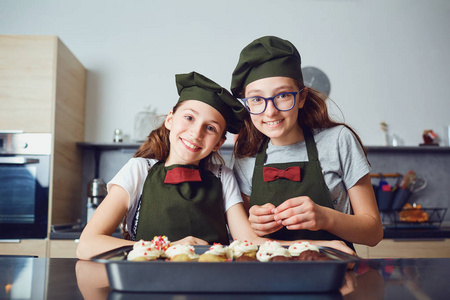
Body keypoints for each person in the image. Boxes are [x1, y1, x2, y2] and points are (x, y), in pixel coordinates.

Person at [77, 71, 354, 260]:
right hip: (148, 283)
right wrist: (168, 248)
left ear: (219, 142)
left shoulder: (223, 176)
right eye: (188, 118)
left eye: (210, 128)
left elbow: (250, 241)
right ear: (170, 119)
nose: (196, 133)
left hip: (214, 284)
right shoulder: (139, 170)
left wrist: (323, 245)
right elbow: (88, 244)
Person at [230, 36, 383, 249]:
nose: (270, 111)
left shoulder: (338, 140)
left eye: (282, 95)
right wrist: (255, 224)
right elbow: (248, 239)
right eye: (256, 99)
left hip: (334, 278)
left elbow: (373, 232)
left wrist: (325, 217)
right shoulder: (246, 155)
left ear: (301, 97)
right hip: (266, 278)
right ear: (247, 105)